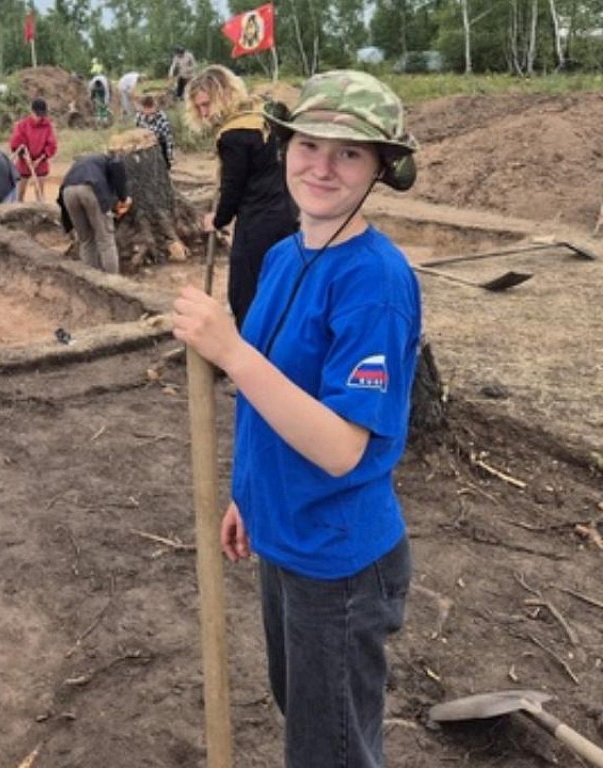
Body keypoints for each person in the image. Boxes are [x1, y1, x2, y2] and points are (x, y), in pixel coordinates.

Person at [172, 70, 421, 768]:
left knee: (329, 752)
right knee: (307, 721)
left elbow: (343, 447)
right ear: (282, 148)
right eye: (309, 144)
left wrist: (229, 350)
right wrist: (247, 495)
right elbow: (275, 399)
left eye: (349, 153)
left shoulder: (375, 281)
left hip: (338, 561)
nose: (321, 166)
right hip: (285, 534)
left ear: (379, 168)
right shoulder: (286, 256)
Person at [186, 65, 298, 328]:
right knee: (280, 283)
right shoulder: (263, 115)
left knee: (244, 290)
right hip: (287, 212)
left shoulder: (234, 134)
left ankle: (249, 348)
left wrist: (218, 219)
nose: (204, 113)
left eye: (206, 104)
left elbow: (233, 186)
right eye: (199, 108)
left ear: (224, 94)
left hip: (258, 220)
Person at [57, 153, 131, 274]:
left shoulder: (87, 160)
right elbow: (117, 174)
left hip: (67, 191)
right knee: (106, 241)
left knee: (86, 240)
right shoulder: (115, 159)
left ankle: (91, 278)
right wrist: (124, 198)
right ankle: (113, 281)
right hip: (91, 188)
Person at [9, 98, 57, 203]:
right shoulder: (22, 125)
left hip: (41, 161)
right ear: (32, 112)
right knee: (20, 192)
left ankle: (41, 210)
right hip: (24, 161)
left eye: (42, 115)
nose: (39, 118)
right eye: (37, 115)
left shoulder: (47, 125)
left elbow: (52, 145)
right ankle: (19, 209)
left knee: (39, 191)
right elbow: (16, 144)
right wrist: (25, 157)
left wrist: (40, 159)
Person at [135, 95, 175, 170]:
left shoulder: (162, 118)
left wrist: (169, 157)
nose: (149, 114)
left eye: (151, 111)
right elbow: (137, 132)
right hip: (145, 146)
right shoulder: (139, 116)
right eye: (145, 110)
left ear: (154, 106)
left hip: (160, 145)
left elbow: (168, 139)